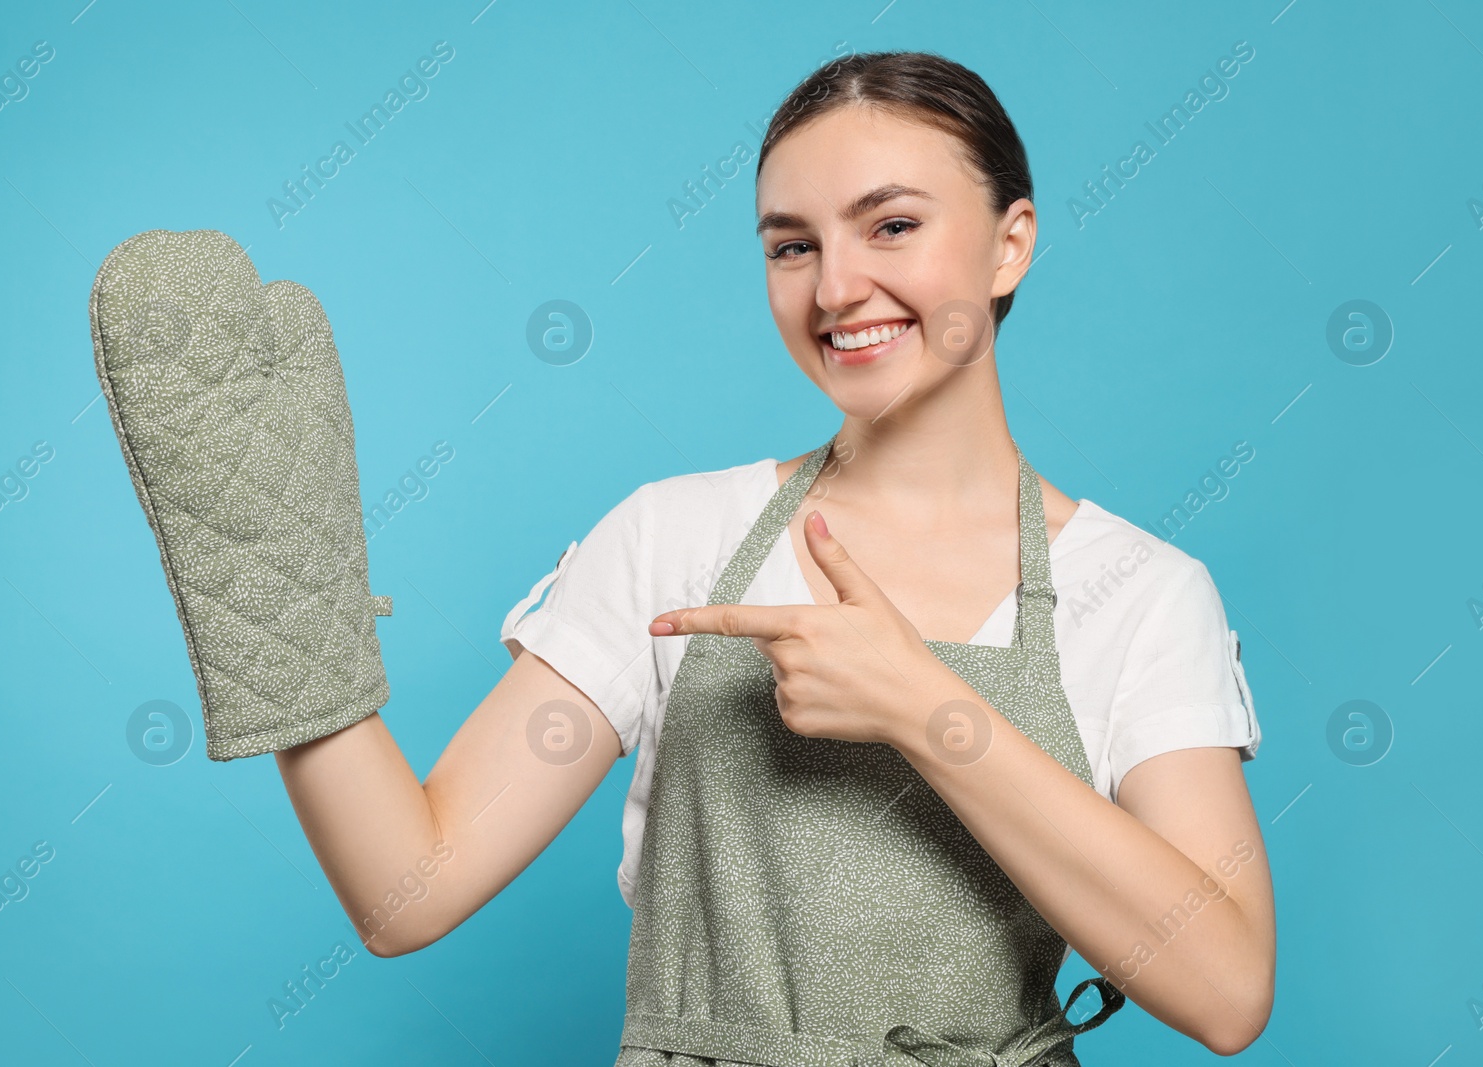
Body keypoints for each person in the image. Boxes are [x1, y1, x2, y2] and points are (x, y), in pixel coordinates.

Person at [275, 50, 1274, 1064]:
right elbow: (410, 888)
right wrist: (268, 609)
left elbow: (1226, 990)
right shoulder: (671, 540)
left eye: (891, 225)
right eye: (791, 246)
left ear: (1010, 244)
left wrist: (926, 709)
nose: (836, 287)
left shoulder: (1139, 594)